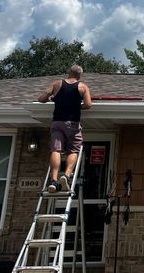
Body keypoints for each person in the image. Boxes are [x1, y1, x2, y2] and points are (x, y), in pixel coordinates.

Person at [38, 65, 92, 193]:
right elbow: (88, 104)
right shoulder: (82, 87)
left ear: (69, 73)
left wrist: (49, 98)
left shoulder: (57, 84)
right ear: (79, 75)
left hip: (57, 122)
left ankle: (54, 180)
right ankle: (66, 176)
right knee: (73, 150)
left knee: (56, 150)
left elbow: (41, 99)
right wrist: (77, 107)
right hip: (73, 123)